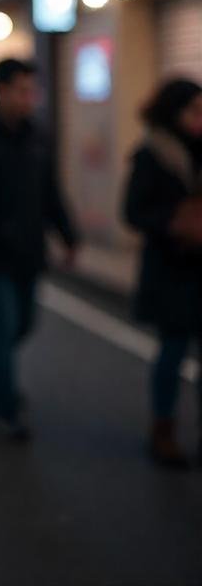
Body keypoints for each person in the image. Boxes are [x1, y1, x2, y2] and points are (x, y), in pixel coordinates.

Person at [0, 57, 78, 441]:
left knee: (24, 324)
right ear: (2, 90)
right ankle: (5, 407)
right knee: (6, 325)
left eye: (33, 91)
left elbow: (50, 191)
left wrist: (68, 234)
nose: (29, 98)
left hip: (29, 251)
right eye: (22, 90)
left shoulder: (38, 136)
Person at [123, 78, 202, 469]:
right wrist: (173, 223)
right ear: (174, 112)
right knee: (172, 352)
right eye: (194, 111)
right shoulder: (152, 154)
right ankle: (163, 430)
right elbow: (133, 212)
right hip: (171, 270)